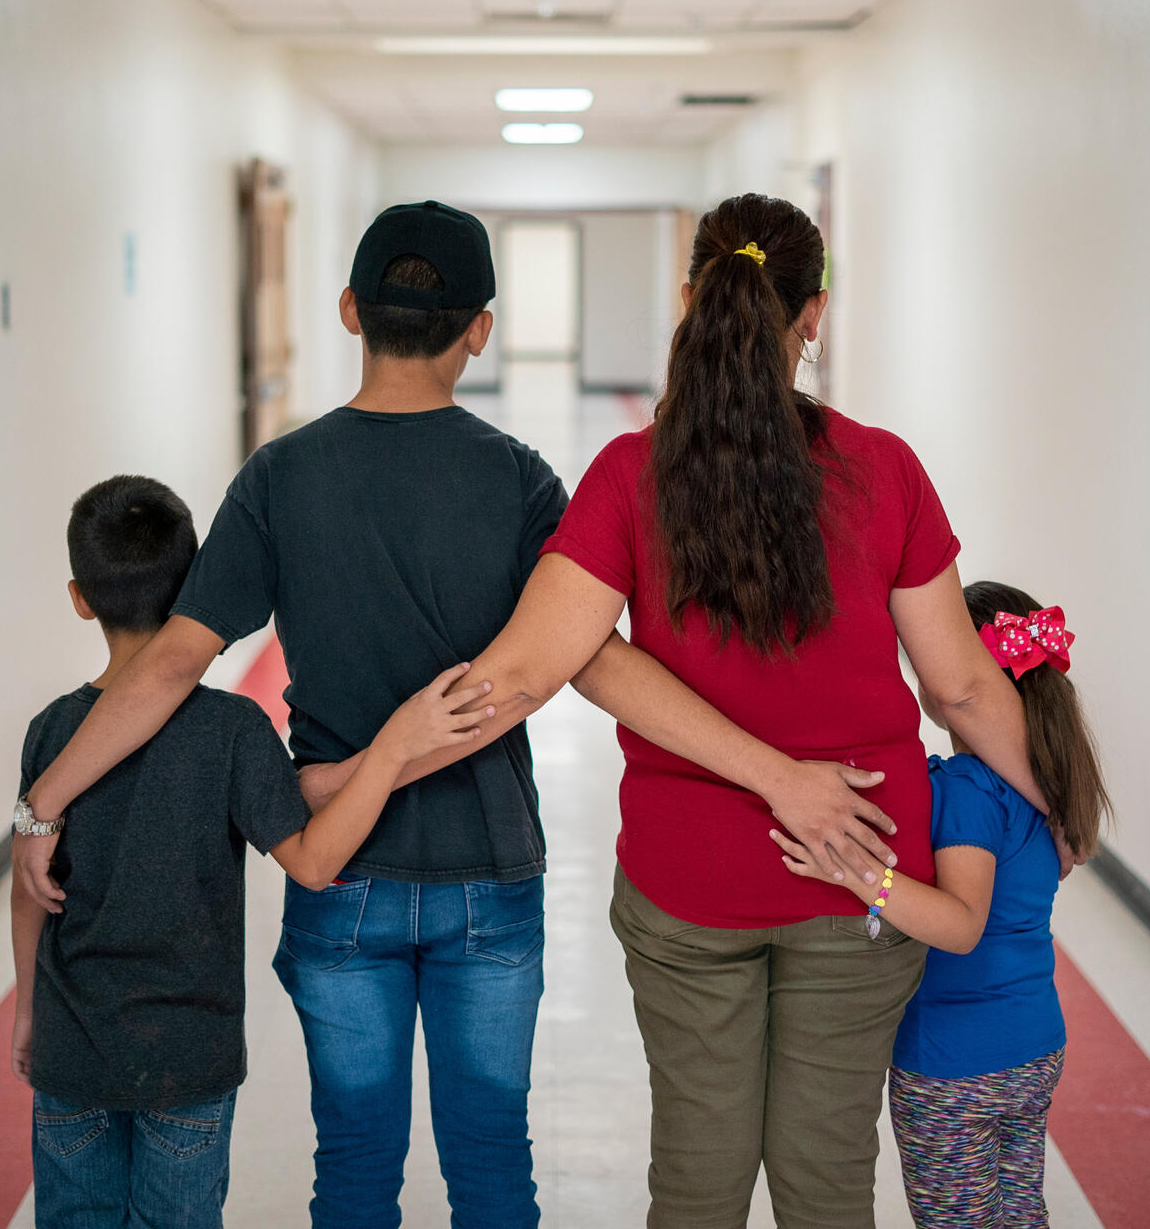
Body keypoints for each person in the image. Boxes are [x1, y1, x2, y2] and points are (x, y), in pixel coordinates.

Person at [14, 200, 897, 1229]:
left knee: (352, 1163)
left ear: (348, 309)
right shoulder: (516, 478)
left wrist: (45, 799)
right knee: (489, 1161)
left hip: (340, 874)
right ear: (479, 328)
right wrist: (772, 764)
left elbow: (169, 665)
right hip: (488, 870)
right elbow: (582, 659)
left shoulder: (278, 477)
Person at [301, 192, 1066, 1229]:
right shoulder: (883, 468)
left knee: (697, 1180)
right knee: (826, 1176)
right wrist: (1055, 809)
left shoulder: (630, 474)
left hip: (688, 886)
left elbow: (527, 671)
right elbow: (961, 687)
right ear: (812, 315)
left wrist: (364, 770)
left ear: (690, 299)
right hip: (865, 869)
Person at [11, 475, 492, 1229]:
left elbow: (26, 881)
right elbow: (309, 858)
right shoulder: (231, 730)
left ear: (81, 596)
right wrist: (397, 745)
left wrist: (26, 1011)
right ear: (194, 584)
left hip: (75, 1050)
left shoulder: (53, 734)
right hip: (188, 1058)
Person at [775, 581, 1110, 1228]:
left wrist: (860, 875)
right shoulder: (1045, 789)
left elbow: (961, 925)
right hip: (1033, 1047)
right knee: (1018, 1215)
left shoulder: (967, 792)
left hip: (955, 1067)